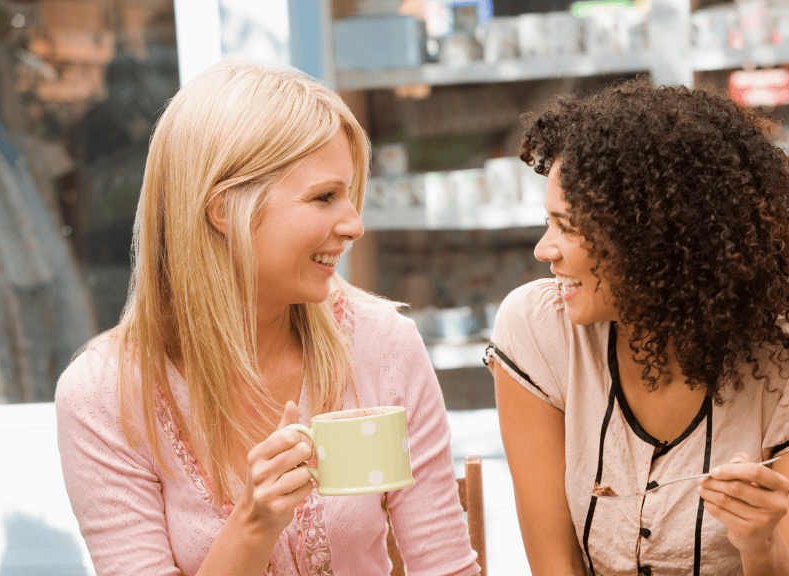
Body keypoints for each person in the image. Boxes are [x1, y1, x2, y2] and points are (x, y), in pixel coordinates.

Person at [56, 60, 480, 576]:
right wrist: (254, 526)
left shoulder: (382, 344)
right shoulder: (105, 395)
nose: (354, 224)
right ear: (223, 211)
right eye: (324, 197)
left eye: (349, 194)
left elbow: (446, 568)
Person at [486, 77, 789, 576]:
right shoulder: (538, 331)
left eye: (568, 227)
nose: (544, 249)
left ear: (651, 242)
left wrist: (759, 542)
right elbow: (555, 567)